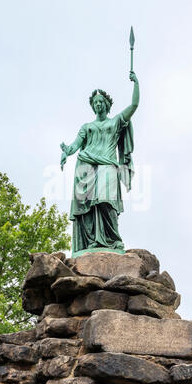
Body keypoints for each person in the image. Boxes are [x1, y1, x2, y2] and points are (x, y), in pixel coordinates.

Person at [60, 71, 139, 257]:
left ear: (106, 104)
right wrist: (66, 152)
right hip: (86, 165)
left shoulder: (116, 122)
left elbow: (134, 105)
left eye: (100, 102)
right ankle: (93, 241)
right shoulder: (86, 127)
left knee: (106, 201)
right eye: (94, 103)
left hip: (108, 165)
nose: (97, 105)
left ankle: (113, 239)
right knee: (88, 207)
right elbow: (74, 146)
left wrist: (136, 83)